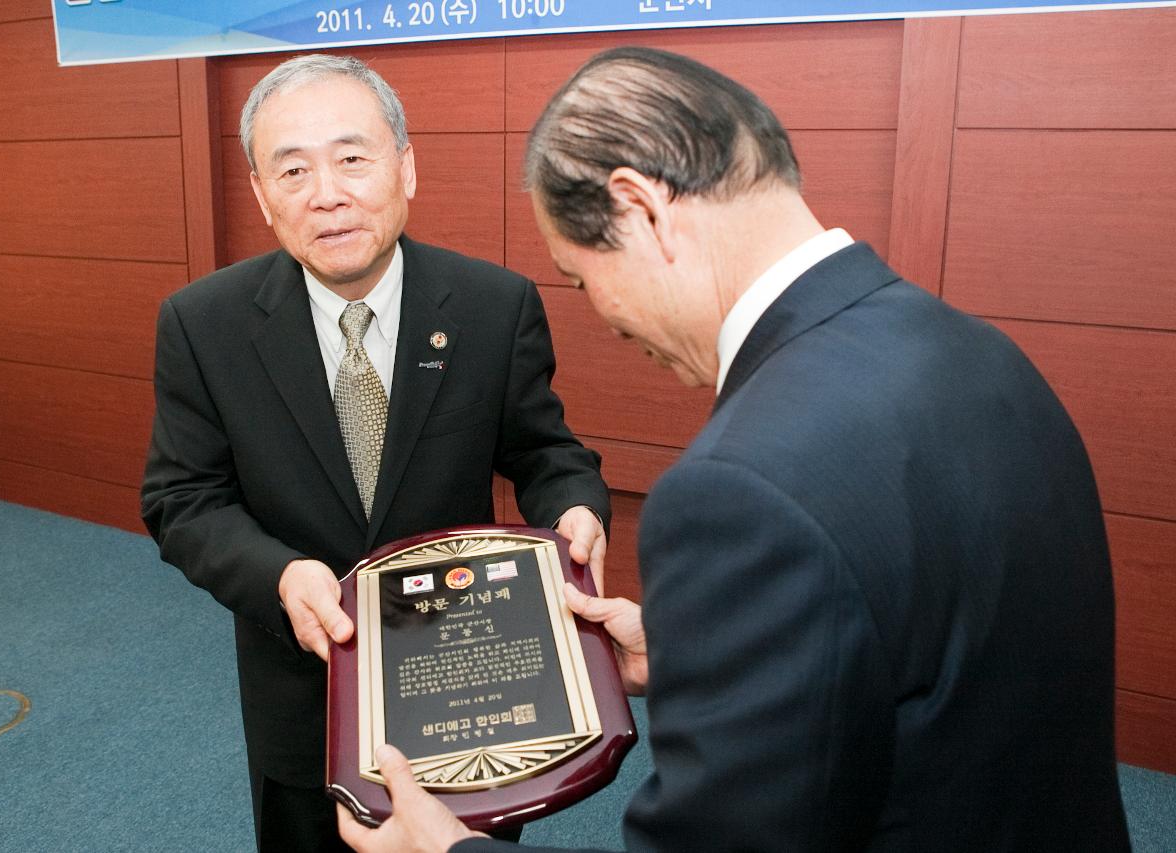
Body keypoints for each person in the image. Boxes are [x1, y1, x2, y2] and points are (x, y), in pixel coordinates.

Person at [338, 47, 1131, 853]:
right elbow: (928, 642)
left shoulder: (739, 488)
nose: (606, 322)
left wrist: (450, 851)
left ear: (641, 209)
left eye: (580, 280)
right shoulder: (980, 353)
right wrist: (702, 655)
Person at [140, 54, 610, 852]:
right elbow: (183, 499)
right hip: (306, 694)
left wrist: (574, 507)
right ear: (262, 194)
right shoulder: (202, 324)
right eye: (292, 169)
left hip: (467, 680)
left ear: (405, 167)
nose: (327, 193)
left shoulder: (494, 307)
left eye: (352, 158)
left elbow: (543, 450)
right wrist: (280, 575)